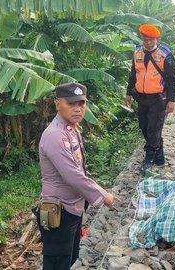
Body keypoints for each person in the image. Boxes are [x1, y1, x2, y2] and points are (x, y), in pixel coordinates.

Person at [36, 82, 120, 270]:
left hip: (72, 207)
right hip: (59, 210)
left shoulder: (71, 130)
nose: (78, 109)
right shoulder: (54, 135)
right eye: (71, 104)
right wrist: (102, 195)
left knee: (70, 257)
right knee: (57, 262)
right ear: (58, 104)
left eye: (81, 104)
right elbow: (73, 175)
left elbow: (79, 169)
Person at [124, 24, 175, 175]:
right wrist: (128, 93)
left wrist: (172, 100)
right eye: (145, 39)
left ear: (157, 39)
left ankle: (149, 158)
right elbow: (133, 74)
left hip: (158, 98)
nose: (147, 42)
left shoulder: (165, 54)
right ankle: (159, 157)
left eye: (151, 40)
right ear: (141, 38)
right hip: (141, 98)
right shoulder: (137, 52)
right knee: (144, 127)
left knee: (153, 129)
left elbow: (172, 79)